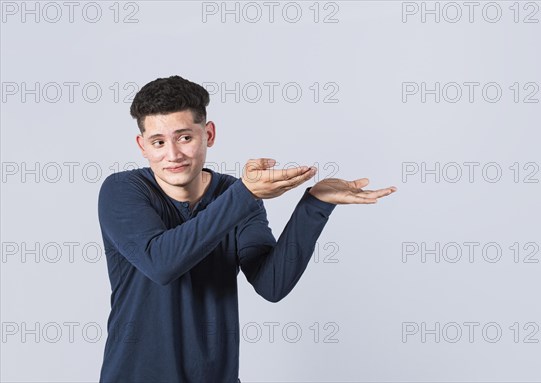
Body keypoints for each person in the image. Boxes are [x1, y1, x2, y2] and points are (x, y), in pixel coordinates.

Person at [97, 75, 397, 382]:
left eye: (185, 137)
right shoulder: (122, 191)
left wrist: (314, 206)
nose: (173, 154)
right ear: (142, 146)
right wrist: (244, 195)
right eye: (158, 142)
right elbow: (161, 264)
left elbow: (272, 284)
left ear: (209, 134)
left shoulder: (238, 196)